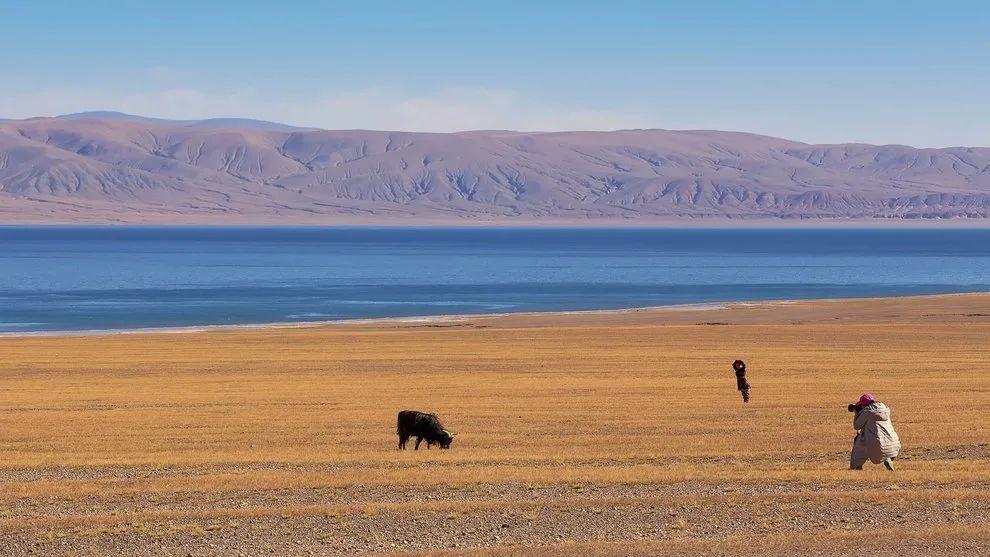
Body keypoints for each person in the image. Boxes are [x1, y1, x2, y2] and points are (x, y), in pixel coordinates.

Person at [849, 393, 900, 471]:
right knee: (883, 449)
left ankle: (857, 466)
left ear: (863, 405)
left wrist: (857, 413)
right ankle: (888, 460)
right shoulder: (884, 409)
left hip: (876, 443)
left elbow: (857, 426)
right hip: (893, 442)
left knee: (859, 446)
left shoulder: (867, 411)